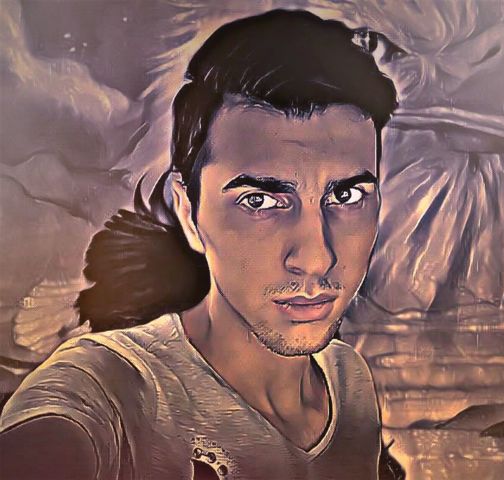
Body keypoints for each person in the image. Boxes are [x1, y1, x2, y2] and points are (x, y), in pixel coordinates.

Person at [0, 9, 403, 480]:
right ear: (189, 213)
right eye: (259, 201)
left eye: (347, 196)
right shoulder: (110, 390)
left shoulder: (349, 382)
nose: (316, 258)